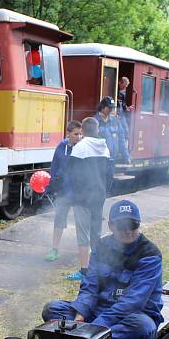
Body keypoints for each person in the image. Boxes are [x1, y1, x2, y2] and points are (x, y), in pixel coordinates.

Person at [41, 199, 163, 339]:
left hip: (132, 316)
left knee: (142, 327)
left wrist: (94, 328)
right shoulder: (101, 246)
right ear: (111, 225)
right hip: (98, 312)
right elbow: (90, 285)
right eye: (122, 225)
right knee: (52, 309)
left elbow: (133, 302)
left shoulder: (150, 254)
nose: (128, 230)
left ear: (139, 224)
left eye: (133, 225)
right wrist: (81, 314)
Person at [58, 117, 111, 281]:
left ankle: (84, 270)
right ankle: (96, 267)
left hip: (82, 198)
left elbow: (72, 175)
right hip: (99, 196)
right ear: (97, 130)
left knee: (83, 235)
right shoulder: (105, 148)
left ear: (84, 131)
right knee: (96, 232)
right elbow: (108, 175)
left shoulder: (80, 147)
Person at [46, 120, 83, 262]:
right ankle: (54, 249)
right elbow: (55, 166)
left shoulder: (84, 147)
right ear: (68, 134)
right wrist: (52, 187)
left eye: (80, 134)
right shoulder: (61, 147)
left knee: (81, 221)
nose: (79, 137)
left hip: (79, 192)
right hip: (64, 191)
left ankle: (85, 250)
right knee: (59, 219)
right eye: (76, 134)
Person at [95, 96, 129, 170]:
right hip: (99, 160)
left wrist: (126, 156)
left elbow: (121, 139)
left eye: (112, 108)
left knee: (109, 181)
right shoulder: (95, 121)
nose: (111, 110)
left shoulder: (115, 121)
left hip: (112, 159)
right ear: (102, 107)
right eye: (109, 108)